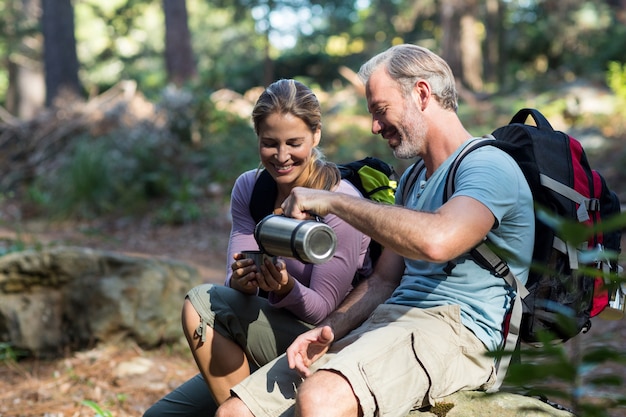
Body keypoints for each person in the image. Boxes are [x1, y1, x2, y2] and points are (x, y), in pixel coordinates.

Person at [214, 44, 536, 417]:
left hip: (457, 331)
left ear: (421, 93)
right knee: (235, 413)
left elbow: (437, 241)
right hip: (389, 320)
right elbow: (384, 280)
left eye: (380, 111)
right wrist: (331, 329)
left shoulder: (488, 166)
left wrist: (333, 201)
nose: (374, 127)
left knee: (320, 398)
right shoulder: (414, 178)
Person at [143, 79, 372, 416]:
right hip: (265, 334)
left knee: (199, 302)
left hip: (322, 344)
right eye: (269, 144)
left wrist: (286, 288)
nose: (282, 157)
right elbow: (232, 290)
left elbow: (324, 312)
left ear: (316, 136)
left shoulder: (340, 203)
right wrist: (242, 282)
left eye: (294, 143)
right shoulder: (250, 188)